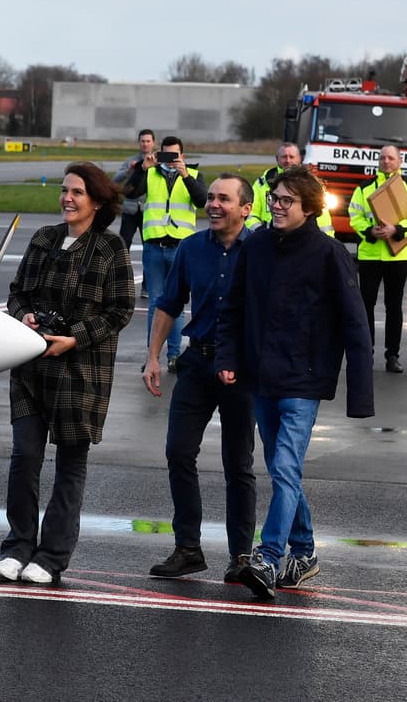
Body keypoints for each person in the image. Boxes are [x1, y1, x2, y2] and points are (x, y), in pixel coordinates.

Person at [216, 166, 374, 599]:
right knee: (283, 468)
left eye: (286, 200)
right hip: (262, 378)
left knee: (284, 466)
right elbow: (233, 308)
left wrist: (360, 394)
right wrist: (229, 357)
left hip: (305, 380)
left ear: (309, 208)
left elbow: (356, 325)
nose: (276, 206)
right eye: (274, 198)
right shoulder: (257, 247)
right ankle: (303, 551)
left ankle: (267, 557)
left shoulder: (330, 254)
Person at [0, 162, 135, 584]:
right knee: (24, 457)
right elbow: (17, 293)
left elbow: (121, 309)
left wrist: (75, 336)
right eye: (64, 190)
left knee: (71, 466)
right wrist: (26, 317)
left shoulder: (110, 249)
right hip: (31, 369)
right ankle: (17, 547)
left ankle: (51, 557)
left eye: (77, 192)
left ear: (97, 201)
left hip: (80, 373)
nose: (67, 198)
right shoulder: (44, 238)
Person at [142, 174, 256, 583]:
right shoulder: (191, 249)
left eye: (224, 199)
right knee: (178, 452)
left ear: (245, 208)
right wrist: (153, 356)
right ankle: (188, 548)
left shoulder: (259, 252)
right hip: (197, 363)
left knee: (238, 464)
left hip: (241, 372)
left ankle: (242, 555)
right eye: (210, 198)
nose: (213, 205)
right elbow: (168, 304)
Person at [124, 135, 206, 372]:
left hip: (181, 248)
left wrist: (185, 175)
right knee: (156, 304)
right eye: (166, 155)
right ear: (159, 155)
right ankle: (153, 357)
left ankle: (173, 355)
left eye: (175, 155)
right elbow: (128, 192)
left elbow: (201, 201)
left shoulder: (193, 174)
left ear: (183, 156)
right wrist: (142, 169)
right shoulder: (150, 173)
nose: (171, 160)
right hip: (154, 246)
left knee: (177, 303)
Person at [348, 144, 407, 373]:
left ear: (400, 161)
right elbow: (354, 216)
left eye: (391, 158)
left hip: (398, 254)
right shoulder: (364, 187)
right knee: (366, 306)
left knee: (394, 306)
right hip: (370, 254)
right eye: (382, 158)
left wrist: (396, 229)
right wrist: (371, 231)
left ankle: (392, 355)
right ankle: (366, 353)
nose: (386, 161)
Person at [247, 142, 332, 235]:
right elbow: (251, 215)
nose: (288, 160)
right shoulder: (262, 184)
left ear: (300, 159)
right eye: (284, 156)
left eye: (292, 157)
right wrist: (263, 232)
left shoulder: (311, 185)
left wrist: (325, 242)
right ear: (277, 159)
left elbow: (323, 220)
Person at [112, 128, 156, 296]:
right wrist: (129, 171)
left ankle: (146, 285)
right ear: (139, 143)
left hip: (148, 210)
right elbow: (116, 180)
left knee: (149, 248)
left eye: (148, 141)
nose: (145, 144)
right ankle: (120, 283)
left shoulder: (157, 161)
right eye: (142, 141)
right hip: (130, 209)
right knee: (124, 246)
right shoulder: (131, 161)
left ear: (153, 143)